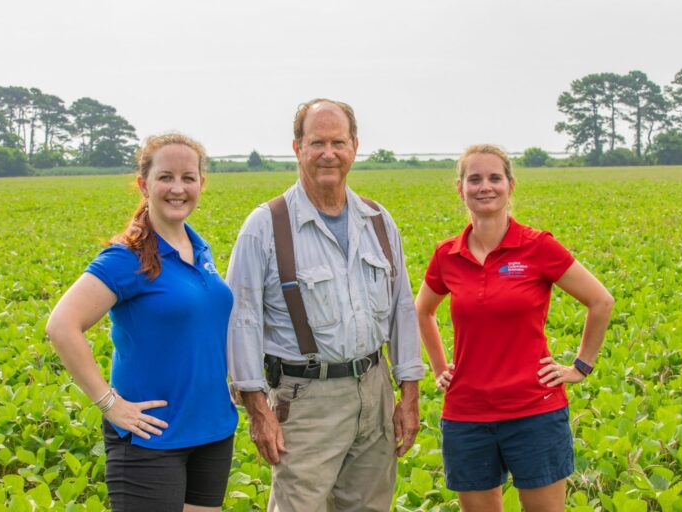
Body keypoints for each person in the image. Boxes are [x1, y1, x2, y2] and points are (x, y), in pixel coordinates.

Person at [226, 98, 424, 512]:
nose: (328, 153)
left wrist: (408, 394)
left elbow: (403, 309)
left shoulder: (377, 220)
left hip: (375, 389)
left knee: (369, 506)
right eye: (317, 142)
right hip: (305, 398)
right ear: (297, 148)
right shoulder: (265, 226)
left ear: (355, 146)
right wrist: (257, 408)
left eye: (338, 142)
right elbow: (241, 321)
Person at [415, 144, 614, 512]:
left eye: (494, 178)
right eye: (474, 179)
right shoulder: (447, 254)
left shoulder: (538, 247)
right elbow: (422, 311)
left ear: (510, 185)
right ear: (460, 188)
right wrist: (440, 368)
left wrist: (580, 367)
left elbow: (601, 301)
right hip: (466, 414)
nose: (484, 187)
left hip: (534, 411)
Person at [46, 133, 238, 512]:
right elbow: (61, 325)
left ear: (202, 183)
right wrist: (109, 403)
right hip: (151, 438)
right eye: (165, 177)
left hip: (213, 429)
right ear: (143, 184)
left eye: (188, 177)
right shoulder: (125, 258)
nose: (178, 188)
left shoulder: (200, 250)